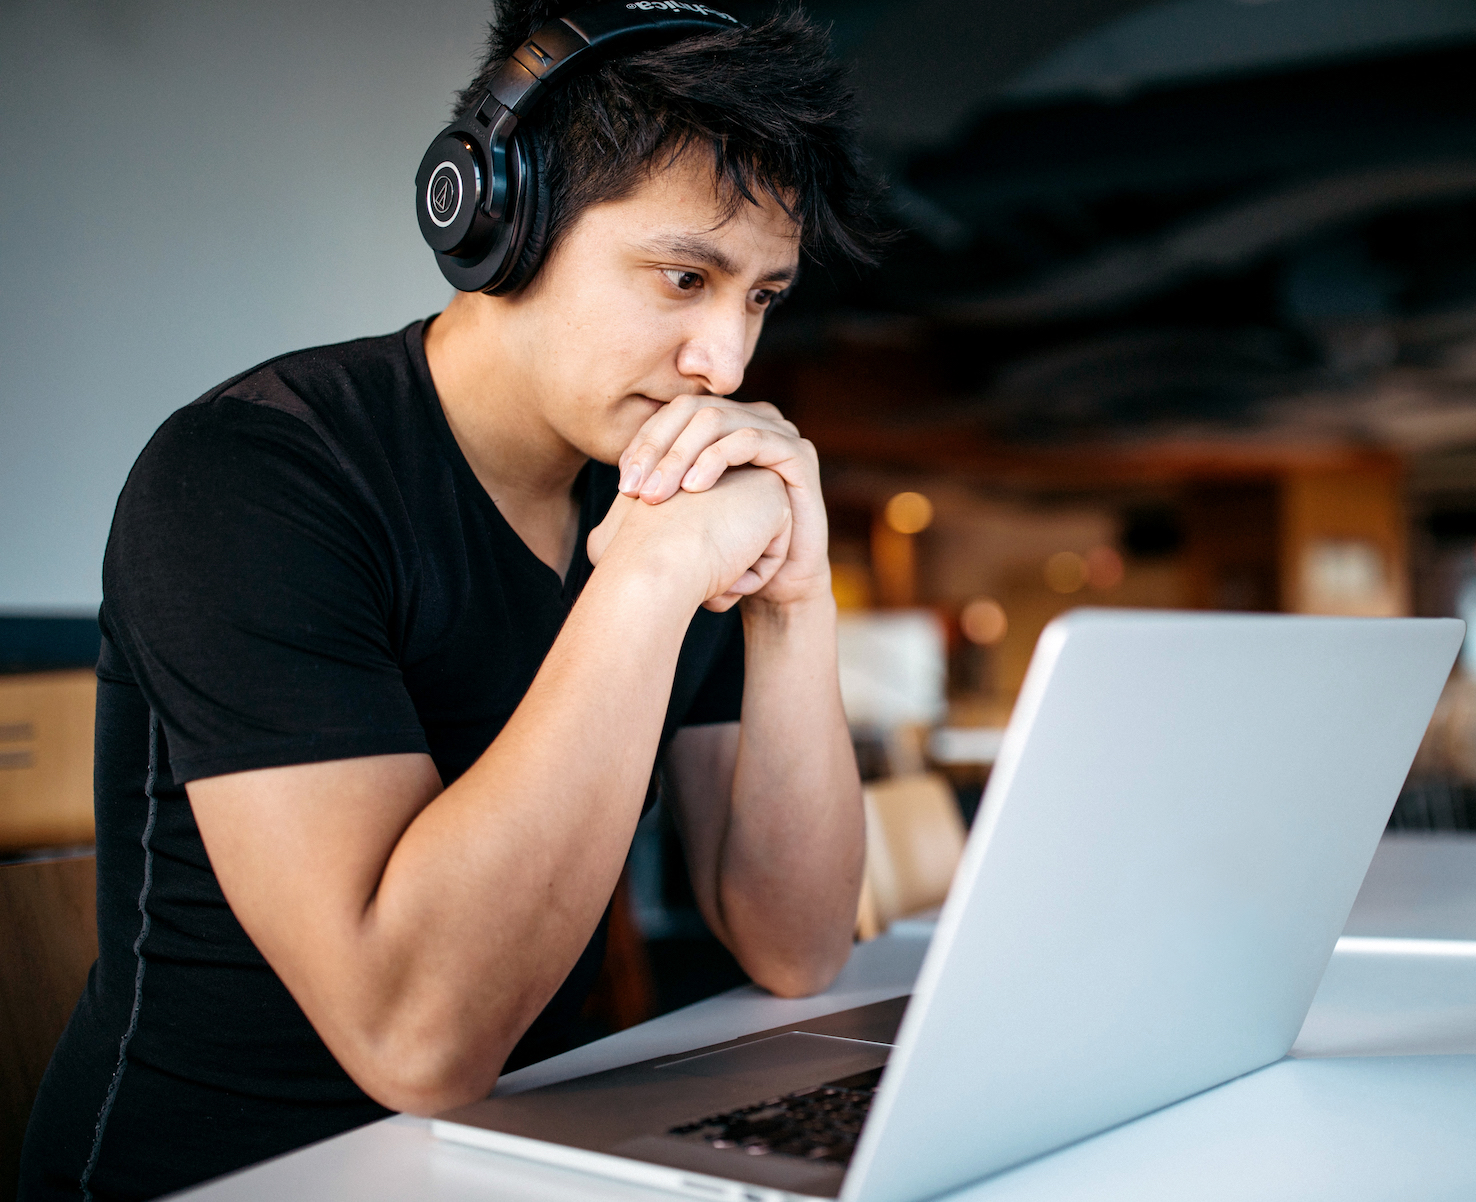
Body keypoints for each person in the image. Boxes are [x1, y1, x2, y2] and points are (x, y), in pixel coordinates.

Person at [20, 4, 887, 1198]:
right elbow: (416, 1039)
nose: (726, 364)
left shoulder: (660, 488)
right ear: (500, 220)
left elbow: (797, 947)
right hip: (229, 1173)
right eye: (684, 276)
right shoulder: (248, 478)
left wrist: (795, 596)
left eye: (760, 297)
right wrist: (641, 576)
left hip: (509, 1157)